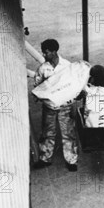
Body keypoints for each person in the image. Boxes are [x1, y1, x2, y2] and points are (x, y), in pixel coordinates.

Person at [33, 39, 78, 172]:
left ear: (54, 51)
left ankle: (71, 160)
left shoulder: (67, 66)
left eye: (46, 52)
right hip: (49, 107)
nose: (44, 55)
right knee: (48, 133)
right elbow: (37, 86)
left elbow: (74, 85)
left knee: (68, 133)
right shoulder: (42, 69)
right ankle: (45, 158)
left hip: (65, 106)